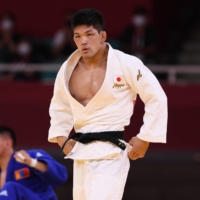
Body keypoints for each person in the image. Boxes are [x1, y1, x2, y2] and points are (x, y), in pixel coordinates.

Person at [48, 8, 167, 200]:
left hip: (111, 153)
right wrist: (61, 138)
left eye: (89, 34)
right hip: (80, 154)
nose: (83, 41)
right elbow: (59, 105)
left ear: (102, 35)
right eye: (77, 36)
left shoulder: (126, 63)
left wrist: (146, 137)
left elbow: (156, 97)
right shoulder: (68, 68)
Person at [0, 126, 68, 200]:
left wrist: (32, 162)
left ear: (7, 143)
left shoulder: (30, 156)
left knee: (10, 187)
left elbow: (61, 176)